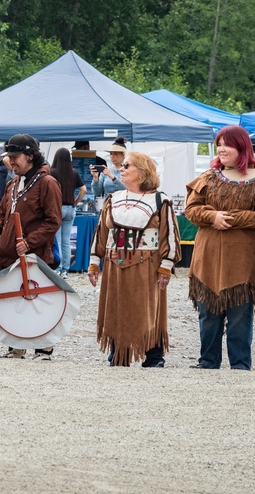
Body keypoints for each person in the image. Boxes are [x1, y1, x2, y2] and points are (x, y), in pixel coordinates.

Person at [185, 125, 255, 370]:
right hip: (208, 256)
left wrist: (230, 219)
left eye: (227, 144)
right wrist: (213, 217)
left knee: (239, 316)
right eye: (219, 143)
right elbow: (191, 210)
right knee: (208, 314)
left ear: (241, 148)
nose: (221, 149)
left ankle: (240, 365)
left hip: (241, 259)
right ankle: (208, 361)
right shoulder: (208, 177)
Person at [87, 152, 180, 367]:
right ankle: (118, 354)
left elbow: (170, 235)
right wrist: (94, 261)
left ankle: (153, 355)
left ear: (142, 171)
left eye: (127, 165)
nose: (122, 168)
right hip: (114, 265)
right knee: (115, 307)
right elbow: (101, 233)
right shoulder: (113, 199)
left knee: (147, 308)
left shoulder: (160, 200)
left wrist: (166, 265)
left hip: (146, 265)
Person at [0, 133, 63, 359]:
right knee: (13, 303)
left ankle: (44, 348)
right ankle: (16, 347)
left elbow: (53, 221)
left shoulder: (47, 183)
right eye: (9, 156)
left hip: (35, 257)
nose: (11, 161)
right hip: (9, 259)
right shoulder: (12, 185)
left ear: (30, 156)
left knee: (38, 303)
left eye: (15, 156)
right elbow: (2, 219)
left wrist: (29, 242)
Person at [50, 147, 86, 277]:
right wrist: (76, 202)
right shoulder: (74, 172)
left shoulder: (51, 172)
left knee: (57, 239)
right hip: (70, 208)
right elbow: (84, 190)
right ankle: (65, 269)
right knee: (66, 241)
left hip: (57, 208)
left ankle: (58, 268)